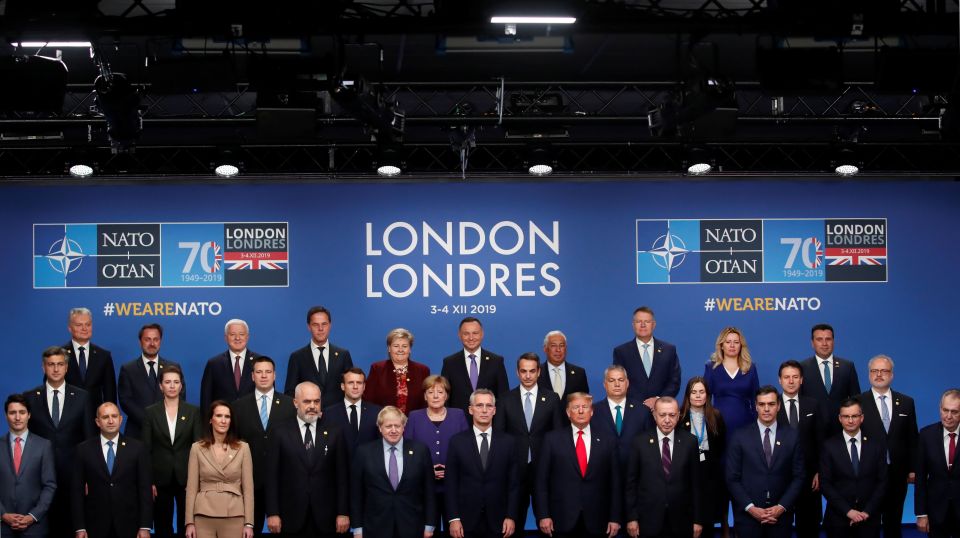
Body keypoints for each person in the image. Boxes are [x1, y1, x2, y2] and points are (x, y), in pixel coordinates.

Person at [24, 346, 94, 538]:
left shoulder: (82, 397)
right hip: (38, 474)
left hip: (73, 473)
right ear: (43, 367)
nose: (55, 369)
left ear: (66, 367)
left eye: (60, 364)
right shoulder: (29, 397)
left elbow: (88, 438)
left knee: (72, 525)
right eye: (51, 365)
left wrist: (89, 474)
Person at [265, 382, 350, 538]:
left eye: (316, 401)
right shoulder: (279, 432)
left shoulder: (335, 431)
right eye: (307, 401)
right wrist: (272, 513)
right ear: (295, 402)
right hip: (289, 517)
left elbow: (342, 477)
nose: (312, 406)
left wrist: (343, 512)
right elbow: (272, 477)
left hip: (327, 518)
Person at [534, 392, 621, 538]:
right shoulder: (552, 440)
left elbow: (615, 483)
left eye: (585, 407)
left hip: (598, 520)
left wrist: (615, 518)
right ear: (568, 412)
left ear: (592, 411)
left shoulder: (608, 440)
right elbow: (541, 481)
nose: (581, 411)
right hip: (560, 519)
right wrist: (543, 515)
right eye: (575, 407)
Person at [493, 353, 564, 524]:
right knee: (513, 523)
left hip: (545, 468)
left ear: (539, 372)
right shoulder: (504, 399)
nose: (527, 376)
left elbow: (559, 434)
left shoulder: (552, 398)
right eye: (523, 371)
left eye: (532, 371)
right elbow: (499, 436)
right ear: (517, 373)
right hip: (515, 470)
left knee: (548, 523)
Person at [725, 386, 804, 538]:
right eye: (762, 404)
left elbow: (799, 476)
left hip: (780, 519)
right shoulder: (739, 436)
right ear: (756, 406)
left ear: (779, 406)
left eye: (771, 404)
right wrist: (751, 508)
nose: (766, 409)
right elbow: (732, 478)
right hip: (748, 519)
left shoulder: (792, 436)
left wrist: (781, 507)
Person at [232, 357, 296, 536]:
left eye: (268, 372)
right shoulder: (238, 406)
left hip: (283, 482)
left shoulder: (290, 405)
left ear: (275, 375)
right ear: (252, 376)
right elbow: (234, 444)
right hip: (250, 482)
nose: (263, 376)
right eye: (259, 372)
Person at [350, 406, 437, 538]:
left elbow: (429, 491)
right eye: (388, 426)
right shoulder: (364, 453)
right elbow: (356, 493)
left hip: (412, 526)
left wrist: (430, 525)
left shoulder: (421, 451)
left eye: (397, 425)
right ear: (380, 428)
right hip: (375, 527)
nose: (393, 430)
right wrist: (357, 528)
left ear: (403, 427)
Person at [445, 389, 520, 538]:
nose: (484, 410)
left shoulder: (509, 442)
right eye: (479, 405)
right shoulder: (457, 441)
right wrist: (453, 518)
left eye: (489, 406)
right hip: (465, 521)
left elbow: (514, 484)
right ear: (470, 410)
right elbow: (451, 484)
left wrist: (511, 516)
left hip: (500, 521)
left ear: (494, 410)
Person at [625, 397, 702, 538]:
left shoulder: (690, 442)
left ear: (678, 415)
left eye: (672, 415)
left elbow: (695, 485)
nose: (667, 420)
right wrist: (631, 518)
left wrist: (697, 520)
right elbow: (631, 484)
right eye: (662, 415)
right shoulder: (639, 442)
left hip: (682, 521)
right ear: (654, 415)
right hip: (648, 521)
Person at [71, 402, 152, 538]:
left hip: (130, 525)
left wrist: (145, 526)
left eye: (114, 416)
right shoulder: (83, 450)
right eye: (105, 417)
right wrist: (79, 527)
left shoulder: (137, 448)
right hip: (95, 526)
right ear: (97, 422)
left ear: (120, 419)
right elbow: (76, 492)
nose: (110, 421)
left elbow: (145, 490)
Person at [858, 354, 918, 538]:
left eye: (884, 371)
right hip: (868, 474)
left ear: (891, 375)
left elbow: (912, 438)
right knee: (869, 525)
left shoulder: (906, 402)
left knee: (893, 524)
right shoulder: (857, 402)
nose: (879, 375)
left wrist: (913, 469)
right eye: (874, 371)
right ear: (869, 375)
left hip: (897, 475)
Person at [142, 365, 203, 538]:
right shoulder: (150, 412)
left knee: (188, 525)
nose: (172, 386)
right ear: (160, 386)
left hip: (187, 477)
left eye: (176, 382)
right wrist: (149, 480)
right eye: (167, 382)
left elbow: (198, 447)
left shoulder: (193, 412)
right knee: (162, 524)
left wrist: (196, 479)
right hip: (159, 478)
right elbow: (146, 449)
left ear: (181, 386)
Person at [404, 375, 469, 533]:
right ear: (425, 396)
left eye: (440, 392)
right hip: (423, 489)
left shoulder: (458, 415)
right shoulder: (414, 417)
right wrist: (427, 471)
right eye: (430, 392)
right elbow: (406, 452)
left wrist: (451, 471)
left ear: (446, 395)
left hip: (453, 488)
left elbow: (467, 449)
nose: (435, 396)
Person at [184, 401, 255, 538]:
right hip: (203, 515)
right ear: (211, 420)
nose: (223, 421)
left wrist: (249, 523)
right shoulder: (197, 448)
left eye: (227, 417)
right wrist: (189, 523)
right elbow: (192, 488)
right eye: (219, 416)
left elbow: (248, 489)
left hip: (234, 514)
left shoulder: (243, 448)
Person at [819, 398, 887, 538]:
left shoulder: (876, 446)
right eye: (846, 416)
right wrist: (848, 511)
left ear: (861, 418)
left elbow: (883, 482)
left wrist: (867, 511)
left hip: (869, 518)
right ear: (840, 418)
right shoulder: (828, 446)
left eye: (854, 416)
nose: (850, 421)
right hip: (838, 520)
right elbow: (825, 484)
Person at [776, 360, 825, 538]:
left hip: (809, 477)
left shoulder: (813, 404)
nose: (791, 381)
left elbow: (821, 441)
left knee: (809, 527)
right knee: (781, 528)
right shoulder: (771, 406)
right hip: (780, 478)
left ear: (801, 380)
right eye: (787, 377)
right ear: (780, 380)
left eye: (795, 377)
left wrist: (820, 471)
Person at [0, 394, 56, 538]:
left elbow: (49, 485)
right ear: (6, 416)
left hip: (35, 528)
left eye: (22, 412)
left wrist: (32, 516)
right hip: (3, 527)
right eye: (12, 413)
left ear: (29, 415)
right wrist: (3, 514)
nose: (17, 417)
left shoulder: (44, 446)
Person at [118, 323, 185, 439]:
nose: (152, 344)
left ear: (160, 341)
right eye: (147, 339)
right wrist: (148, 421)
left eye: (156, 339)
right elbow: (125, 401)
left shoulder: (173, 367)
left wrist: (164, 421)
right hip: (138, 431)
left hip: (167, 431)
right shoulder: (128, 369)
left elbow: (181, 396)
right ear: (140, 342)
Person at [680, 377, 727, 537]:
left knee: (707, 521)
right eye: (694, 392)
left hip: (709, 473)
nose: (698, 396)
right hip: (686, 471)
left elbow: (721, 446)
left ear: (707, 394)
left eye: (701, 392)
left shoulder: (716, 416)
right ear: (687, 395)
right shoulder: (680, 417)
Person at [284, 306, 355, 409]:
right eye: (315, 325)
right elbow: (290, 393)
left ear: (330, 325)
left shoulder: (343, 355)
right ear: (308, 327)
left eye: (324, 324)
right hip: (308, 416)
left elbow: (350, 388)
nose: (320, 329)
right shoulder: (297, 357)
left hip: (338, 419)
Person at [612, 306, 681, 409]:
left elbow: (674, 381)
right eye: (639, 321)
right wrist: (639, 404)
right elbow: (619, 383)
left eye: (647, 321)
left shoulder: (669, 350)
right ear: (633, 325)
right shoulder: (621, 352)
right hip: (632, 410)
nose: (643, 325)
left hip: (661, 410)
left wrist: (658, 400)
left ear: (654, 325)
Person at [914, 388, 960, 538]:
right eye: (945, 410)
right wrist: (921, 513)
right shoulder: (926, 435)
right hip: (936, 512)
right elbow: (920, 477)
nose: (948, 416)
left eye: (954, 412)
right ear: (940, 408)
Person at [800, 324, 861, 436]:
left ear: (833, 341)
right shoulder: (802, 368)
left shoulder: (847, 366)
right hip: (812, 432)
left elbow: (855, 399)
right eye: (819, 339)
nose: (824, 344)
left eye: (828, 339)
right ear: (812, 343)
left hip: (841, 431)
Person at [440, 317, 509, 413]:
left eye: (475, 333)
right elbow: (445, 398)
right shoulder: (449, 363)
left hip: (489, 424)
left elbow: (503, 397)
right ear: (459, 335)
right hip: (459, 424)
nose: (471, 338)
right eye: (466, 334)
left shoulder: (496, 362)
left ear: (482, 334)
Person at [703, 327, 760, 438]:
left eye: (736, 342)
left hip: (746, 425)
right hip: (718, 426)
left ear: (741, 345)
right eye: (728, 342)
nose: (732, 345)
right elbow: (706, 399)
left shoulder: (750, 368)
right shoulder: (711, 368)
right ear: (721, 345)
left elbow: (756, 400)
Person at [591, 364, 651, 469]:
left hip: (635, 472)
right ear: (605, 384)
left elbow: (649, 445)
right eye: (611, 380)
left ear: (627, 383)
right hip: (603, 472)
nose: (617, 384)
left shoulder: (642, 411)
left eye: (621, 380)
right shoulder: (593, 411)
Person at [365, 329, 431, 414]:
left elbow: (427, 402)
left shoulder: (423, 370)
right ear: (389, 348)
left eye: (404, 346)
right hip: (384, 423)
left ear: (410, 349)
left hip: (414, 423)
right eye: (396, 346)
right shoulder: (377, 368)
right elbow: (369, 399)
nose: (400, 350)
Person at [61, 307, 116, 407]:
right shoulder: (59, 355)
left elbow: (110, 393)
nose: (84, 329)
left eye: (88, 324)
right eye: (79, 325)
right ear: (70, 328)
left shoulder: (103, 356)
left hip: (95, 417)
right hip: (67, 417)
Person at [200, 319, 259, 412]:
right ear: (225, 337)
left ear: (247, 337)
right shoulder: (214, 364)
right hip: (224, 421)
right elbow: (206, 399)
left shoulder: (260, 362)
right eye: (232, 334)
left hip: (253, 421)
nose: (237, 338)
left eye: (241, 334)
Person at [323, 368, 382, 456]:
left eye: (359, 383)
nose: (355, 387)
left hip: (369, 468)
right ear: (343, 386)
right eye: (351, 383)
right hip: (340, 468)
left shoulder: (377, 412)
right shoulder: (329, 413)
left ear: (364, 386)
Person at [537, 331, 589, 402]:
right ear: (545, 349)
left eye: (561, 345)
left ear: (566, 348)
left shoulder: (579, 373)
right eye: (553, 345)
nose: (558, 350)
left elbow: (584, 402)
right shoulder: (536, 372)